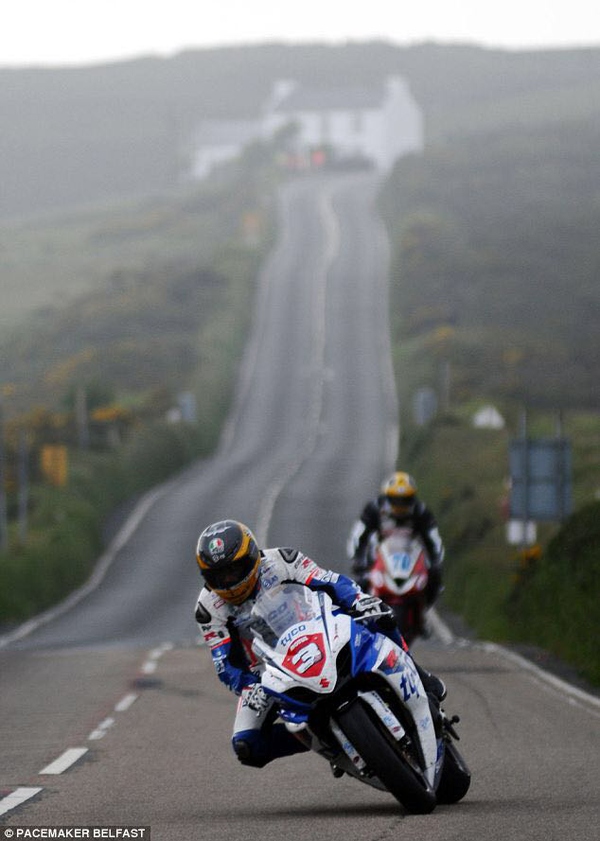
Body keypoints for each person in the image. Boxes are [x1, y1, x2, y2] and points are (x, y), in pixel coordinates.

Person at [194, 518, 446, 770]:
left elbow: (329, 581)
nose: (228, 581)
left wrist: (359, 600)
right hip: (269, 670)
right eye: (219, 576)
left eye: (234, 570)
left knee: (380, 617)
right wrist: (249, 687)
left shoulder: (282, 560)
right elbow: (226, 663)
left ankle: (423, 679)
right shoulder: (208, 609)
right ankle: (328, 741)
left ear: (251, 558)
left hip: (318, 627)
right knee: (247, 746)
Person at [349, 471, 444, 607]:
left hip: (411, 557)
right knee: (360, 585)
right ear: (387, 497)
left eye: (405, 500)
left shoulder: (420, 511)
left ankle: (422, 616)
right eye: (396, 500)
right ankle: (364, 619)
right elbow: (358, 536)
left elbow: (433, 539)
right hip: (378, 558)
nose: (400, 505)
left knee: (433, 581)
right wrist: (358, 561)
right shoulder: (374, 509)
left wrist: (435, 564)